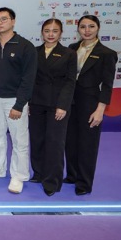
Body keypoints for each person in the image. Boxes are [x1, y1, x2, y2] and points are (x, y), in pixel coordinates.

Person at [0, 7, 37, 194]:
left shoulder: (25, 46)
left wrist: (19, 104)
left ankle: (19, 175)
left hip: (15, 101)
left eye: (3, 19)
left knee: (19, 141)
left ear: (13, 21)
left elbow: (28, 79)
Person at [65, 15, 117, 195]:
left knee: (87, 144)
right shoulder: (72, 48)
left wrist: (100, 110)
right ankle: (72, 175)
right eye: (83, 27)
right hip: (70, 102)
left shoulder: (107, 53)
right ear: (78, 29)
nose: (87, 30)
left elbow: (107, 85)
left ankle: (84, 183)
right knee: (70, 141)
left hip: (90, 104)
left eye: (91, 26)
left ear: (98, 28)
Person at [28, 19, 76, 196]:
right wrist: (28, 102)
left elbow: (70, 82)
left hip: (57, 105)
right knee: (37, 140)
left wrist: (62, 105)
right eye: (47, 30)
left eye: (55, 31)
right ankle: (39, 173)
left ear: (61, 33)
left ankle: (52, 181)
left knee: (55, 143)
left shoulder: (69, 54)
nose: (50, 34)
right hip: (36, 103)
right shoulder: (34, 52)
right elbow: (29, 79)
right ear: (42, 32)